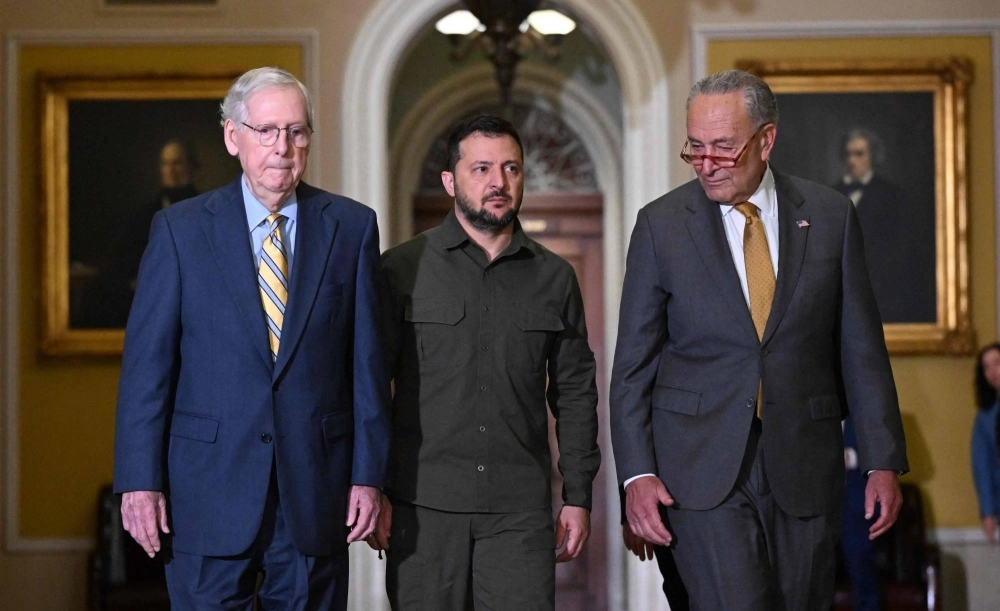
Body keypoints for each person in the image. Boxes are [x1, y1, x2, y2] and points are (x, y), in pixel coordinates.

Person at [610, 70, 909, 610]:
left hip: (804, 464)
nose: (706, 164)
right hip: (697, 471)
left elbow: (860, 348)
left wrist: (881, 459)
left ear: (766, 139)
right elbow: (632, 365)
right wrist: (637, 474)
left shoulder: (829, 215)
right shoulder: (660, 226)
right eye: (694, 149)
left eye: (723, 148)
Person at [112, 67, 391, 610]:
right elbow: (148, 370)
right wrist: (138, 481)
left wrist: (369, 476)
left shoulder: (352, 227)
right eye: (266, 130)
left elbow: (368, 367)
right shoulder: (180, 230)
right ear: (231, 136)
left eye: (296, 131)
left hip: (316, 492)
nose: (282, 147)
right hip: (205, 494)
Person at [372, 114, 600, 611]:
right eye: (481, 169)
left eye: (511, 168)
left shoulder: (556, 278)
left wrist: (579, 495)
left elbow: (576, 394)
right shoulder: (399, 269)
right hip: (421, 510)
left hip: (519, 515)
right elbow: (368, 387)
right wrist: (372, 487)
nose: (498, 182)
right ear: (450, 180)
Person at [832, 127, 934, 323]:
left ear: (873, 156)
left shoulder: (893, 197)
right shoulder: (832, 193)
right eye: (848, 154)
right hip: (840, 288)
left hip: (881, 288)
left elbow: (902, 248)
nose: (852, 160)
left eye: (859, 154)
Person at [840, 415, 883, 611]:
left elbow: (886, 452)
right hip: (816, 508)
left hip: (857, 509)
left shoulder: (864, 413)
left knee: (859, 558)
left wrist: (849, 456)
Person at [972, 342, 1000, 544]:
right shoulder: (986, 417)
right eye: (986, 367)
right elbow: (983, 466)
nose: (992, 371)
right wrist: (987, 512)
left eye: (997, 363)